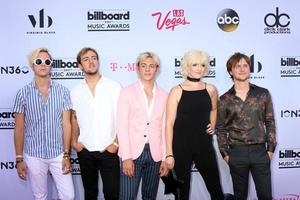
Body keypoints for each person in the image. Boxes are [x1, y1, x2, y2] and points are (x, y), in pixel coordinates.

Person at [13, 48, 75, 200]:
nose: (43, 64)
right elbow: (19, 128)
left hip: (59, 153)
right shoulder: (22, 93)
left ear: (51, 66)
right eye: (38, 61)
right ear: (32, 66)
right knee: (40, 196)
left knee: (68, 195)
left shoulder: (63, 92)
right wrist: (19, 158)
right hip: (34, 154)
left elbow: (66, 124)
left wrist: (66, 154)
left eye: (47, 62)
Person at [216, 52, 277, 200]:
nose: (242, 69)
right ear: (231, 71)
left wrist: (270, 150)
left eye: (245, 65)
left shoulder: (263, 94)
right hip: (237, 153)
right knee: (240, 196)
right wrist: (226, 154)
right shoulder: (224, 99)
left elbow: (270, 121)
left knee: (265, 196)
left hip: (260, 152)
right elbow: (221, 129)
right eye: (237, 66)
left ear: (249, 69)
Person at [165, 50, 224, 200]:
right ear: (187, 66)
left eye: (202, 65)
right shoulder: (176, 91)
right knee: (181, 192)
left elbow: (215, 108)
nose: (199, 68)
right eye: (195, 64)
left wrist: (213, 123)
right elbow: (169, 123)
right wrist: (169, 153)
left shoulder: (210, 89)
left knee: (215, 188)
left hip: (204, 144)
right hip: (181, 146)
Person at [117, 51, 169, 200]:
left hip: (155, 154)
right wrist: (126, 157)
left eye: (151, 66)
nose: (147, 69)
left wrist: (165, 157)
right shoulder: (126, 92)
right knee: (126, 196)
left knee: (149, 197)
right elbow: (121, 126)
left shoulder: (165, 95)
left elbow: (165, 128)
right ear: (137, 68)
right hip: (132, 154)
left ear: (157, 69)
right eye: (144, 66)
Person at [70, 47, 121, 200]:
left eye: (94, 58)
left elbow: (123, 118)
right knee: (90, 194)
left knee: (112, 194)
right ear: (80, 66)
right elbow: (74, 119)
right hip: (85, 150)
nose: (91, 61)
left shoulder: (114, 86)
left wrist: (116, 144)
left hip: (110, 149)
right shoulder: (75, 91)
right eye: (86, 59)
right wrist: (74, 142)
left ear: (98, 61)